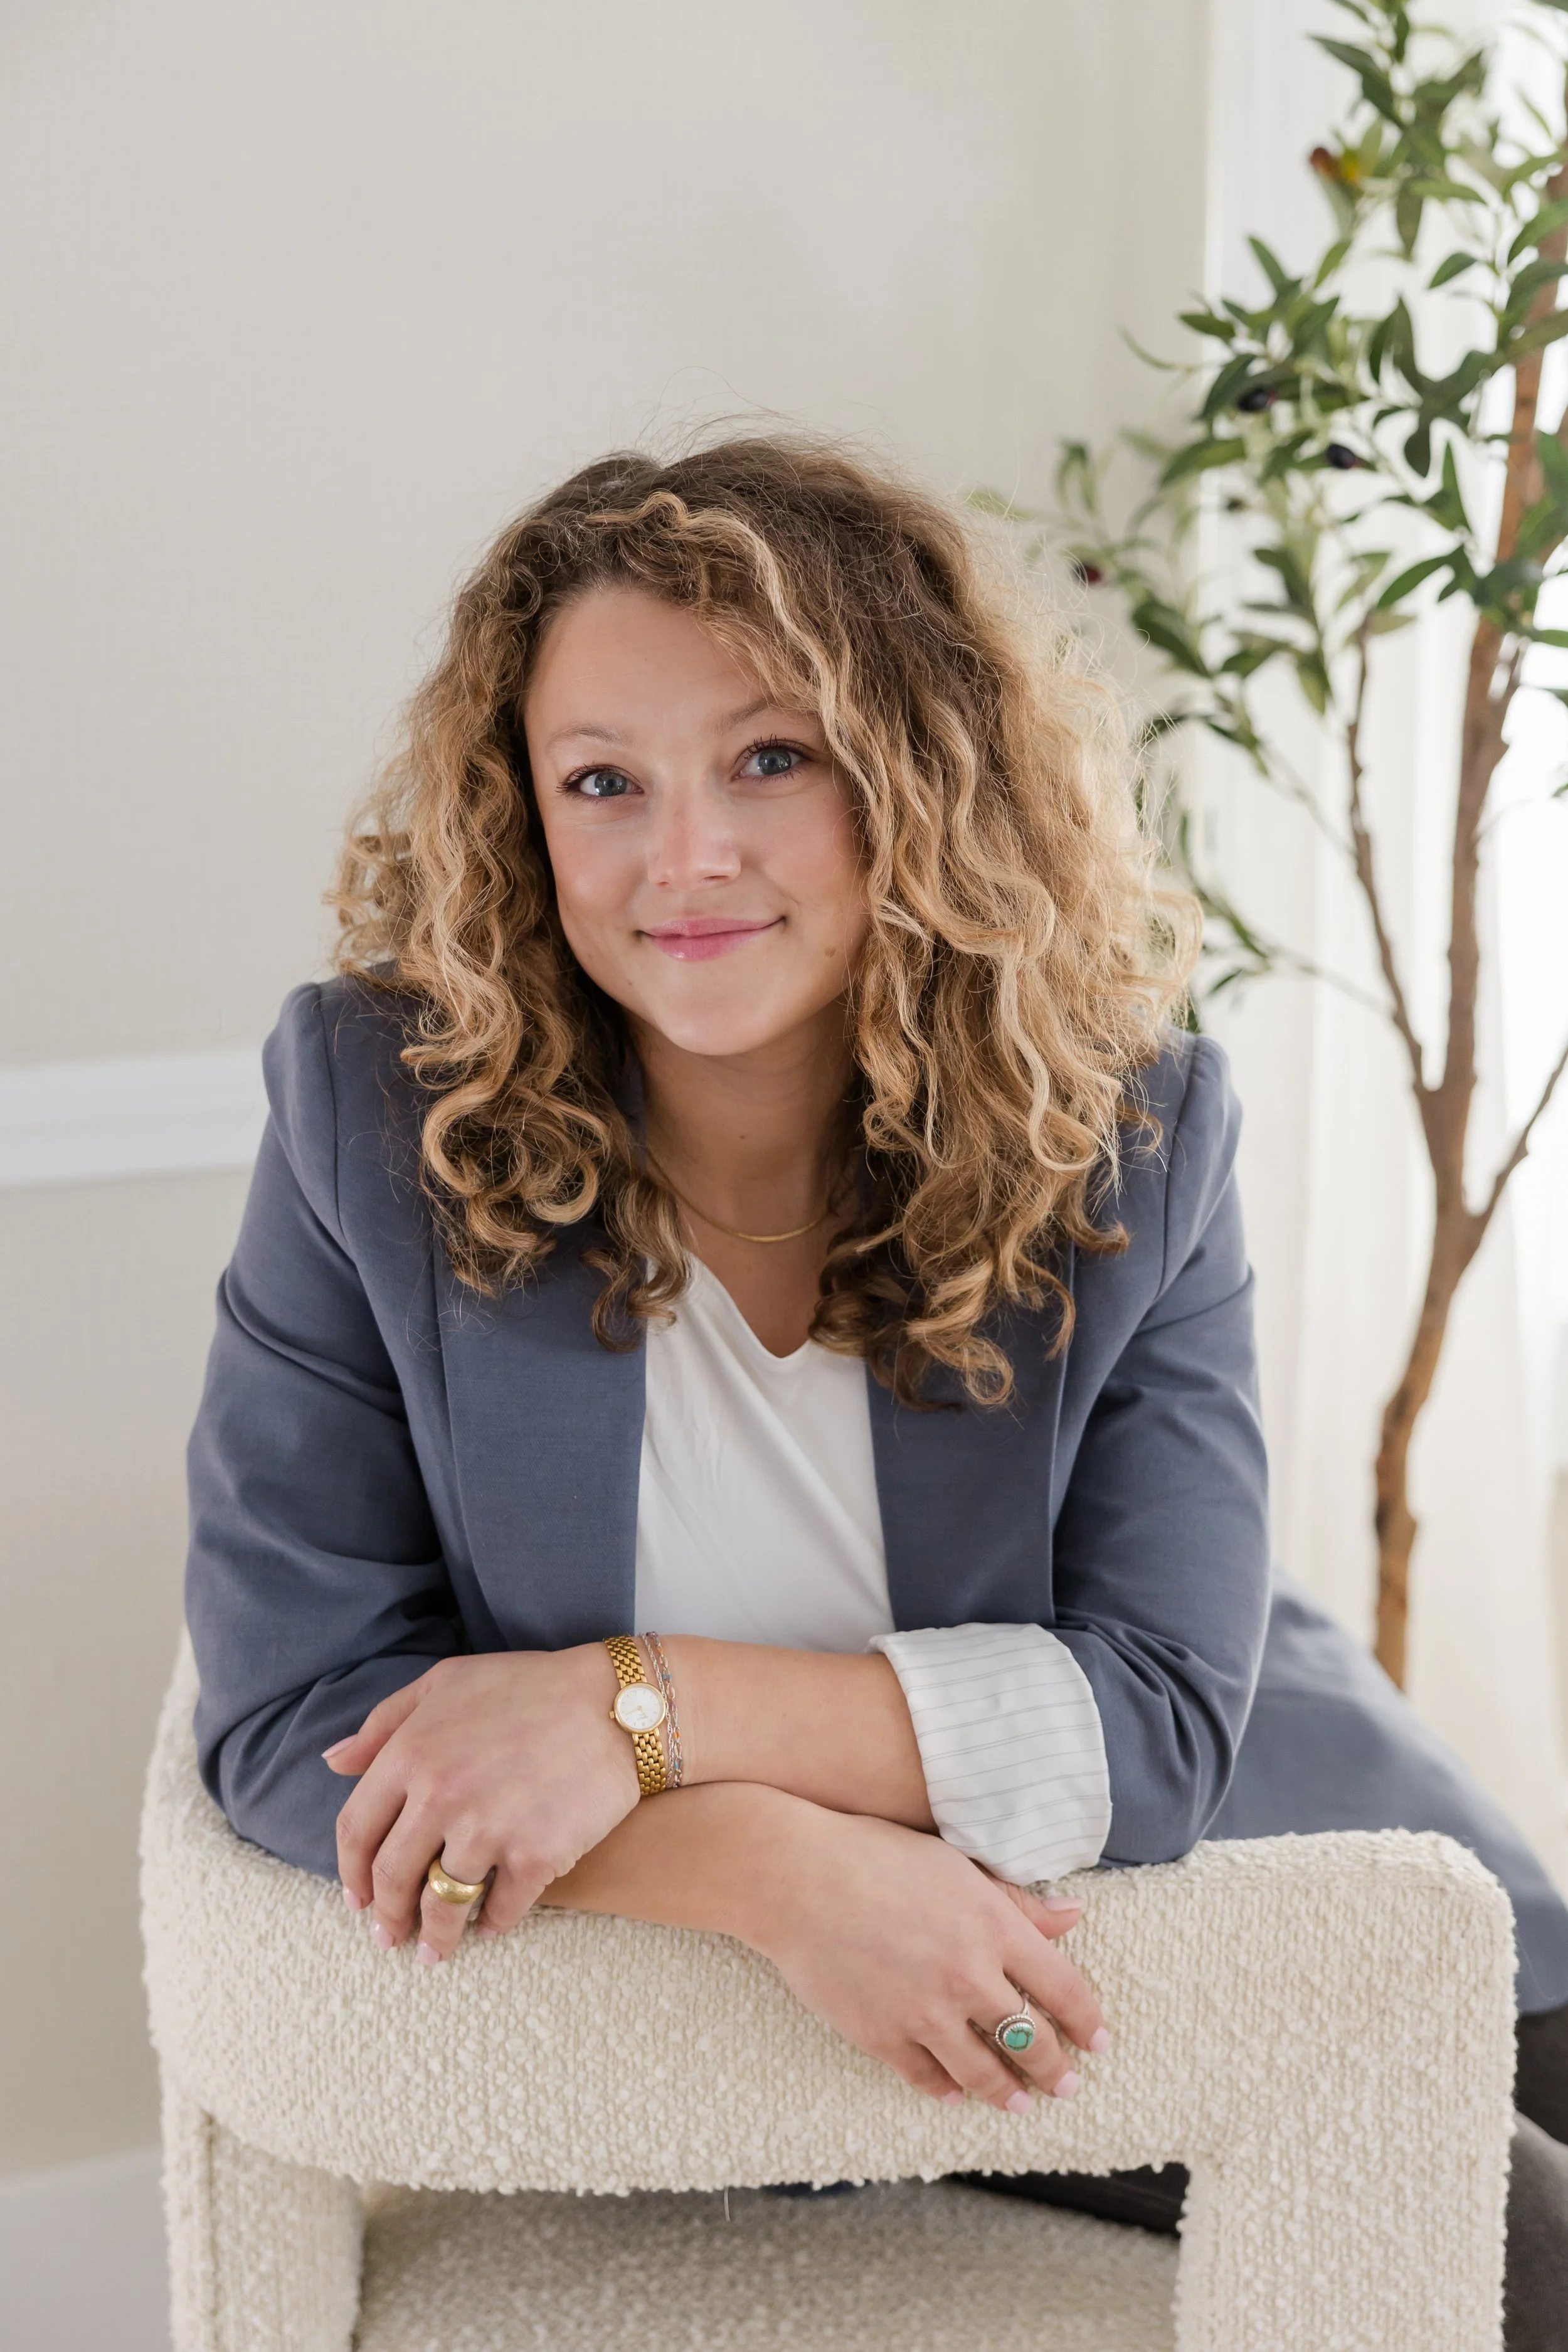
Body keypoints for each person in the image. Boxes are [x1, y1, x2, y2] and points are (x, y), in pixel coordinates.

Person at [184, 437, 1568, 2337]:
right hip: (993, 1932)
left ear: (919, 773)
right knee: (1522, 2241)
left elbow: (1157, 1727)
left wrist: (632, 1710)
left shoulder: (1134, 1130)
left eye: (773, 756)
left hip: (1256, 1833)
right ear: (521, 818)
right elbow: (289, 1719)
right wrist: (769, 1860)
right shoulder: (372, 1115)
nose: (686, 856)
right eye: (605, 782)